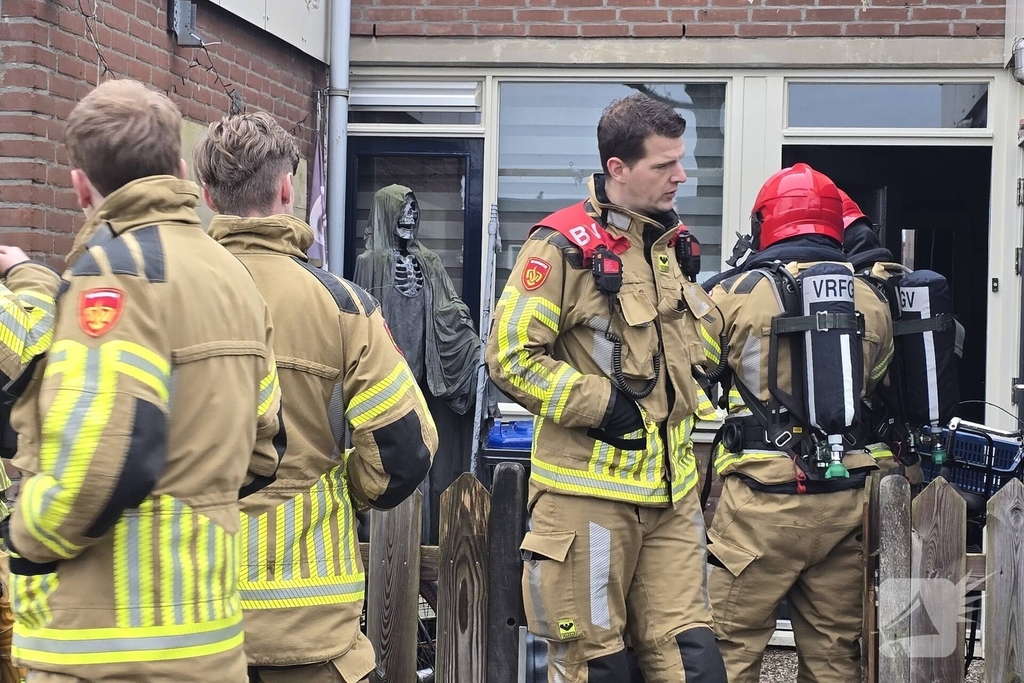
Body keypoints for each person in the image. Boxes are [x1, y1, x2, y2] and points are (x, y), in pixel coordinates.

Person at [1, 79, 286, 683]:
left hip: (110, 652)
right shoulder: (232, 275)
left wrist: (24, 531)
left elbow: (104, 466)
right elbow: (265, 448)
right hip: (208, 640)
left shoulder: (112, 276)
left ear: (81, 184)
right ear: (179, 167)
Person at [486, 93, 727, 682]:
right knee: (600, 669)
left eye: (682, 161)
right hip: (587, 501)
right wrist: (603, 406)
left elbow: (688, 351)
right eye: (664, 165)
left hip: (671, 501)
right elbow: (508, 356)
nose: (682, 176)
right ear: (617, 169)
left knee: (694, 664)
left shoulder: (670, 248)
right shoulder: (561, 247)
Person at [194, 111, 437, 683]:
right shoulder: (344, 304)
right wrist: (337, 488)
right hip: (308, 630)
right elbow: (405, 451)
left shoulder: (156, 299)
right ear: (287, 189)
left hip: (186, 624)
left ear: (206, 195)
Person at [702, 164, 893, 683]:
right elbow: (874, 383)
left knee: (729, 647)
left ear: (766, 221)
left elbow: (691, 371)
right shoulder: (873, 299)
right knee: (834, 654)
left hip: (760, 505)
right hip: (846, 500)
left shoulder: (733, 294)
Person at [354, 185, 487, 543]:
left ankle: (430, 544)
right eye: (403, 209)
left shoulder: (429, 262)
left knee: (434, 462)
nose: (410, 216)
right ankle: (393, 546)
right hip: (389, 384)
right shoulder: (368, 264)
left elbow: (449, 309)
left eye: (414, 209)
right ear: (386, 213)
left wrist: (472, 346)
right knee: (395, 462)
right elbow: (359, 321)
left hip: (428, 379)